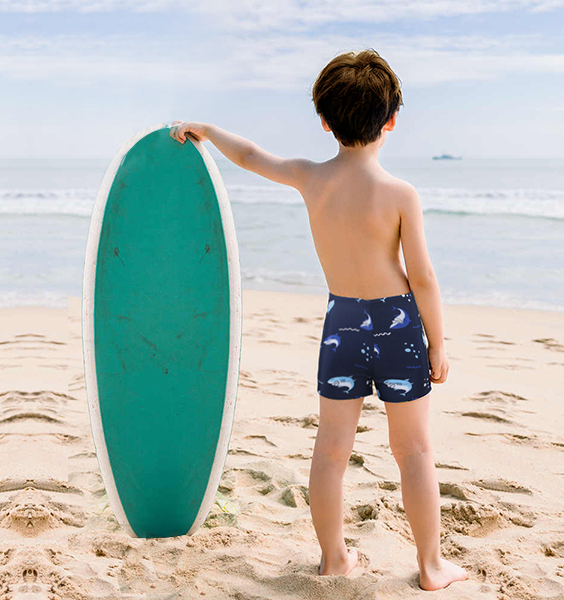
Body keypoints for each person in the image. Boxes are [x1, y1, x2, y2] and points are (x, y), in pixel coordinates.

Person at [169, 48, 469, 591]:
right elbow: (422, 277)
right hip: (398, 327)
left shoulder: (311, 178)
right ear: (393, 120)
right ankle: (430, 566)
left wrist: (207, 129)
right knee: (415, 451)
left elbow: (252, 156)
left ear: (325, 121)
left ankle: (333, 558)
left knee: (331, 450)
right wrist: (438, 344)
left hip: (342, 324)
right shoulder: (401, 193)